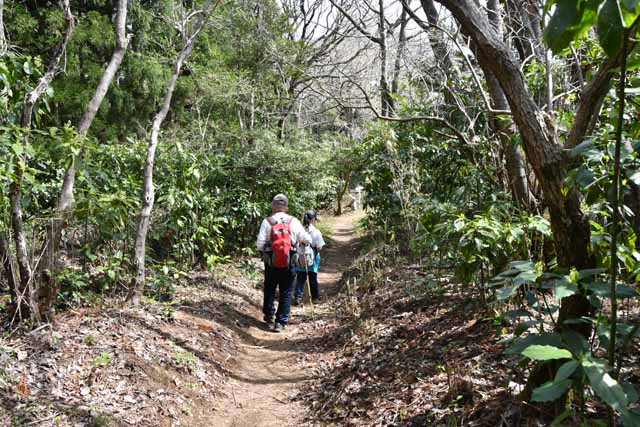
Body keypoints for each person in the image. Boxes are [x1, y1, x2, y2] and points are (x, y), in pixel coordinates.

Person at [256, 194, 311, 332]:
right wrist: (301, 242)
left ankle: (269, 315)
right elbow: (307, 239)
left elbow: (259, 244)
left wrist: (268, 249)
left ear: (273, 207)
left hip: (271, 261)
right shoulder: (293, 221)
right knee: (286, 290)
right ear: (286, 208)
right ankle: (280, 322)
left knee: (269, 287)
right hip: (290, 260)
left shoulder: (267, 221)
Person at [293, 210, 325, 306]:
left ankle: (298, 297)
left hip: (300, 257)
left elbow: (294, 243)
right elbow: (319, 247)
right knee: (312, 278)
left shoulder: (298, 230)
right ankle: (314, 297)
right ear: (313, 219)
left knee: (300, 278)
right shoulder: (316, 232)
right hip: (312, 258)